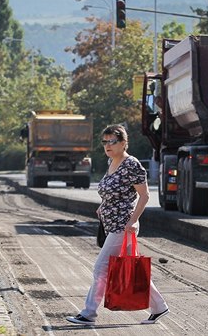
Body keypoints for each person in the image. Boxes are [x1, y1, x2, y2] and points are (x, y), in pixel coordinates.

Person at [66, 124, 169, 326]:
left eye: (112, 141)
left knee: (100, 268)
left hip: (123, 225)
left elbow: (144, 196)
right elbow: (113, 191)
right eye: (105, 142)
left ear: (123, 142)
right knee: (132, 268)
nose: (107, 145)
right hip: (112, 223)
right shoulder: (112, 161)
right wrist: (103, 205)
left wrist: (132, 221)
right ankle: (159, 307)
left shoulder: (132, 165)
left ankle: (89, 313)